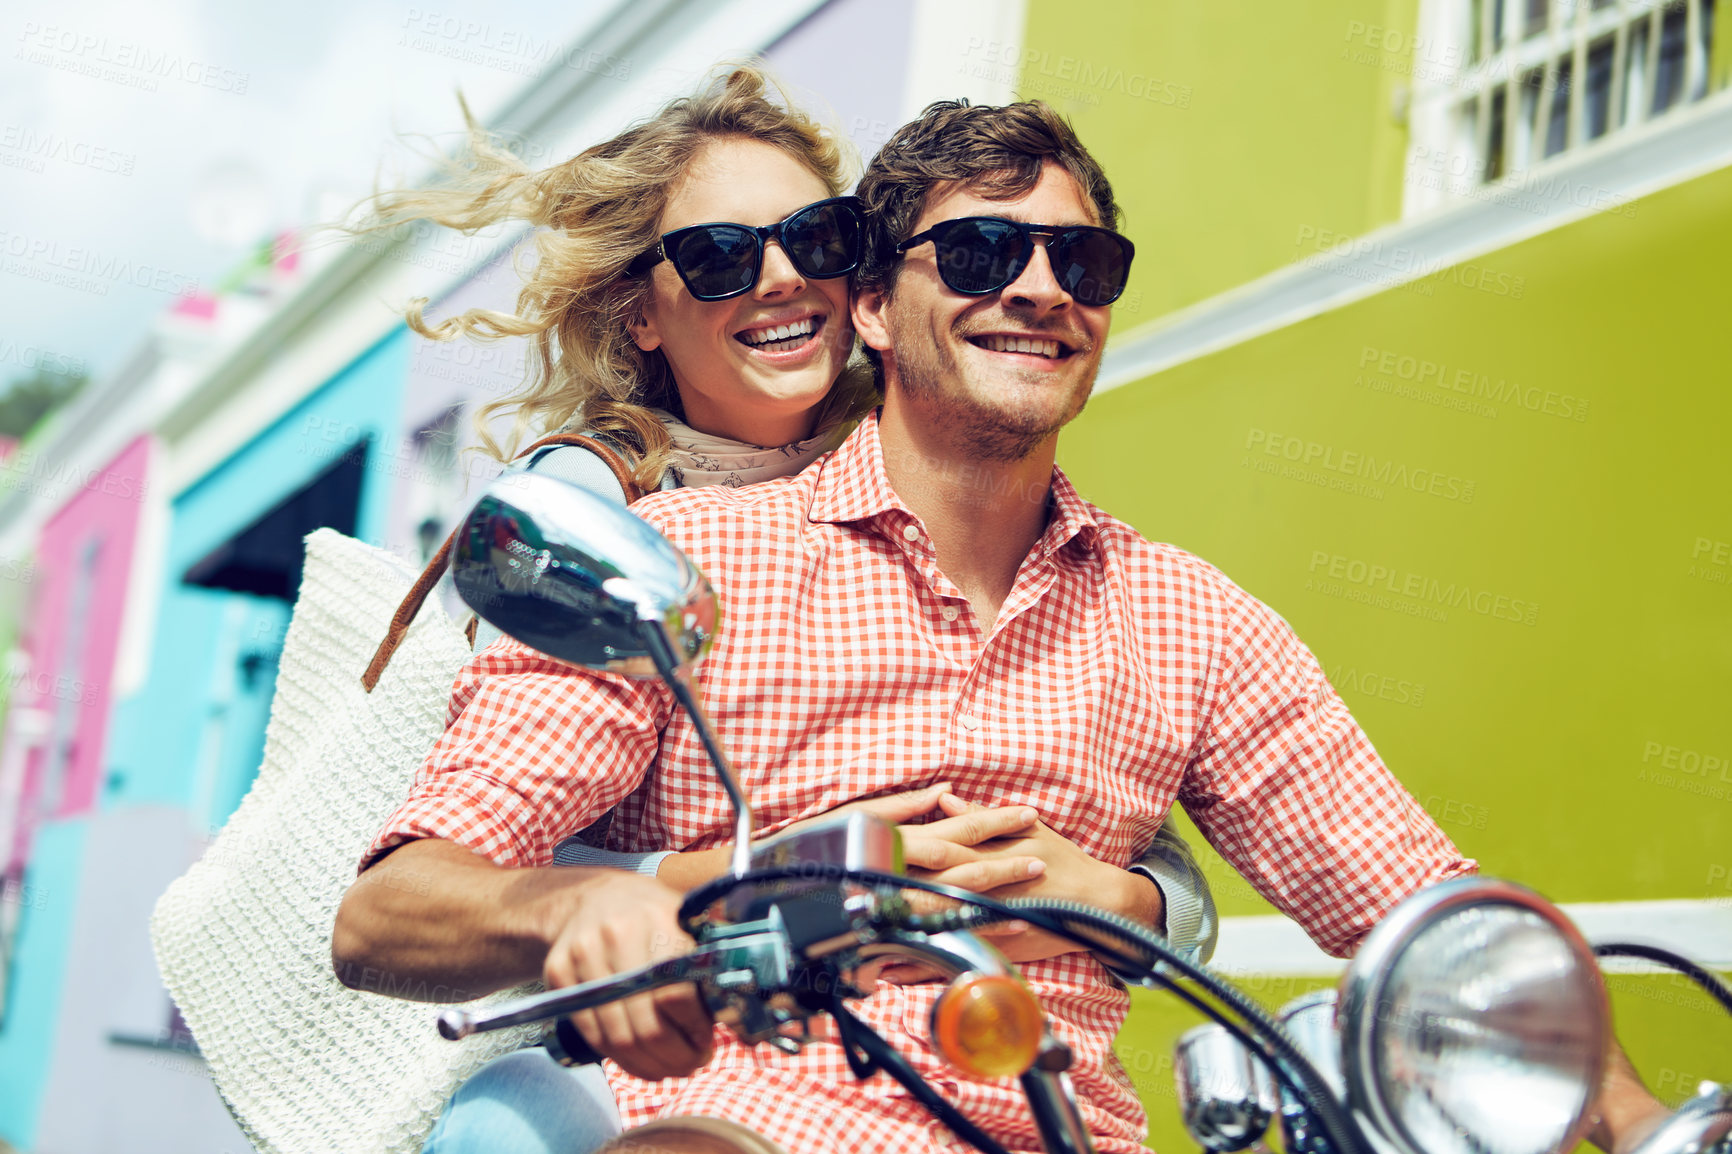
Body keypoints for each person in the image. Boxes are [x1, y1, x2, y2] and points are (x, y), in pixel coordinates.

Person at [336, 96, 1667, 1154]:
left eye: (1079, 260)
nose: (1039, 287)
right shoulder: (686, 554)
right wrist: (598, 905)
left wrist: (1643, 1117)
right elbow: (391, 907)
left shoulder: (1192, 619)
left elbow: (1428, 908)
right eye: (979, 252)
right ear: (873, 305)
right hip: (742, 1123)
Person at [354, 66, 1214, 1153]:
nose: (782, 279)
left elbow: (1128, 832)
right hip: (633, 1033)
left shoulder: (948, 473)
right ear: (642, 311)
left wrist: (1114, 892)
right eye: (719, 256)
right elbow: (492, 848)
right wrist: (769, 872)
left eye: (815, 241)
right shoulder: (603, 506)